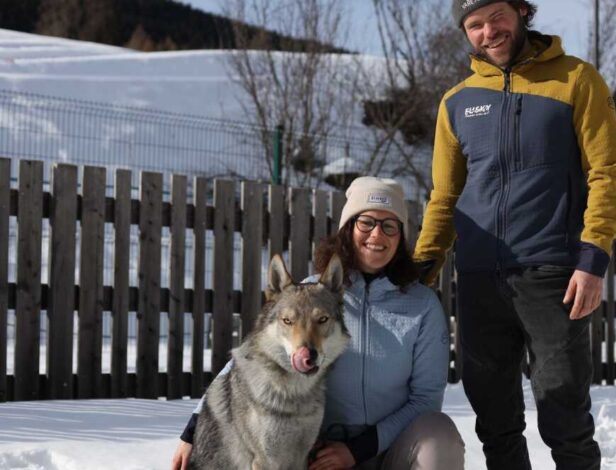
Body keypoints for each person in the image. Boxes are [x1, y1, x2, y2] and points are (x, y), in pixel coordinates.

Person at [413, 1, 616, 469]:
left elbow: (607, 171)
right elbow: (445, 196)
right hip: (478, 280)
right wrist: (421, 270)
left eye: (496, 17)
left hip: (553, 275)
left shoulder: (576, 79)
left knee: (564, 415)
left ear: (521, 12)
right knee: (494, 419)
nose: (488, 31)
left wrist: (592, 260)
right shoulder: (457, 101)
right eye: (474, 24)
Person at [172, 176, 464, 470]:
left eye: (390, 226)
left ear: (400, 236)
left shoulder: (422, 305)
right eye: (366, 223)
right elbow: (249, 360)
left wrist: (357, 449)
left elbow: (426, 399)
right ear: (348, 228)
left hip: (392, 447)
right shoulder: (310, 296)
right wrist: (193, 428)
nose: (377, 235)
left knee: (439, 434)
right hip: (323, 453)